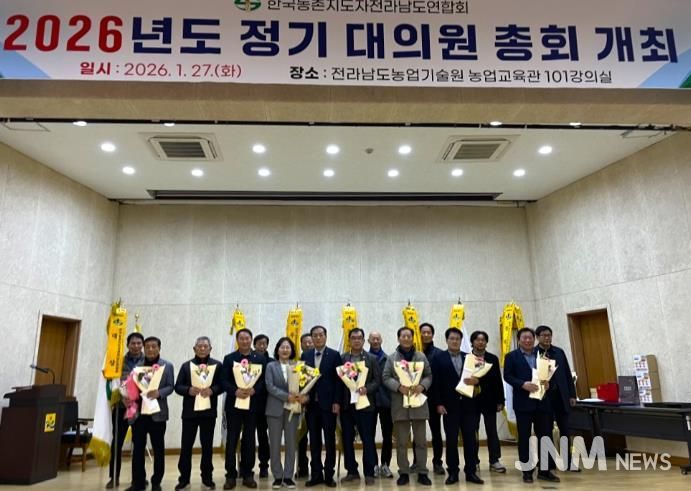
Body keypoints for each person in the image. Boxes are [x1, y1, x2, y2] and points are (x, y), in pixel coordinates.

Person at [504, 328, 558, 484]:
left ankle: (545, 471)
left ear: (534, 339)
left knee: (545, 437)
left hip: (542, 402)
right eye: (524, 338)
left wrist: (549, 384)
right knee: (524, 438)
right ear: (519, 339)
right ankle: (527, 471)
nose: (528, 340)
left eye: (530, 338)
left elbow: (551, 376)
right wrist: (522, 384)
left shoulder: (543, 355)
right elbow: (507, 376)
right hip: (523, 403)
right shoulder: (511, 356)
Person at [431, 328, 483, 485]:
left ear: (461, 341)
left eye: (457, 339)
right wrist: (438, 403)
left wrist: (477, 381)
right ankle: (453, 472)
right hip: (449, 407)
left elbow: (479, 379)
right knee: (451, 440)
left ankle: (471, 472)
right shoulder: (438, 358)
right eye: (452, 338)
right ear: (447, 340)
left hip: (469, 406)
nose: (455, 341)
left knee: (470, 440)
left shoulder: (470, 358)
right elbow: (435, 383)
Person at [382, 327, 433, 486]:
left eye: (408, 336)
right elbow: (386, 377)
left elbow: (429, 375)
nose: (406, 339)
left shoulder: (421, 356)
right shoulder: (392, 358)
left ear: (412, 338)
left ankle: (422, 472)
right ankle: (403, 472)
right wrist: (398, 387)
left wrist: (422, 386)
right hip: (400, 405)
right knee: (401, 443)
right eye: (403, 336)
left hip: (418, 404)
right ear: (398, 338)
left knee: (421, 442)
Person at [125, 336, 175, 491]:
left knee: (158, 449)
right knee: (138, 449)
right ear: (144, 348)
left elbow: (170, 386)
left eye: (154, 346)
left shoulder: (167, 366)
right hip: (139, 415)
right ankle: (138, 482)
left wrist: (159, 393)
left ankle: (156, 482)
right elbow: (131, 388)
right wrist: (127, 396)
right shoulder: (136, 367)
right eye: (148, 347)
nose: (151, 349)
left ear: (159, 348)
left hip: (157, 415)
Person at [174, 336, 223, 491]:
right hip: (190, 413)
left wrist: (212, 390)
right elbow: (177, 386)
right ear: (194, 349)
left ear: (210, 349)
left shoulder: (217, 365)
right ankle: (184, 479)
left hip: (208, 413)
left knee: (207, 446)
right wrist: (188, 390)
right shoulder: (186, 366)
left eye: (205, 346)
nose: (202, 349)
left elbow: (222, 385)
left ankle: (207, 478)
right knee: (186, 446)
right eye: (199, 346)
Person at [221, 329, 267, 490]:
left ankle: (248, 474)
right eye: (241, 338)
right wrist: (235, 391)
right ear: (237, 340)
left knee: (249, 439)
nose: (245, 341)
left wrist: (255, 390)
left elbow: (264, 381)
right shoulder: (229, 358)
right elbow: (223, 380)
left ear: (251, 340)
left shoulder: (260, 358)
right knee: (232, 440)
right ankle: (230, 475)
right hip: (234, 405)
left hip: (253, 405)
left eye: (247, 338)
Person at [339, 328, 380, 486]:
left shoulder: (371, 358)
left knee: (367, 439)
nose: (356, 340)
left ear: (363, 341)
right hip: (347, 407)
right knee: (347, 439)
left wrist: (367, 389)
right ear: (349, 340)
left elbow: (377, 381)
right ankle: (352, 471)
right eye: (353, 338)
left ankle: (369, 472)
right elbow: (338, 382)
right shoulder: (342, 358)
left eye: (359, 338)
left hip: (366, 406)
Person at [301, 325, 341, 488]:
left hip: (329, 405)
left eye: (320, 335)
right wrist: (302, 396)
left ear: (325, 336)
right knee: (314, 440)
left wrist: (336, 402)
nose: (318, 338)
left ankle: (329, 474)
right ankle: (316, 474)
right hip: (311, 406)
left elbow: (338, 381)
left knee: (329, 440)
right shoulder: (306, 355)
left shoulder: (334, 355)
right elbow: (302, 379)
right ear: (311, 338)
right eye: (315, 335)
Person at [265, 337, 307, 490]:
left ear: (292, 350)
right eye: (282, 347)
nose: (284, 350)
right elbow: (269, 386)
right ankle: (277, 476)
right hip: (274, 410)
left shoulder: (298, 366)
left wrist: (303, 396)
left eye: (287, 347)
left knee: (291, 444)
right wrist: (286, 396)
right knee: (275, 444)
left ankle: (288, 476)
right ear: (277, 350)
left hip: (292, 410)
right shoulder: (270, 366)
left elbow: (303, 386)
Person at [535, 325, 578, 472]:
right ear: (538, 337)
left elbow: (567, 374)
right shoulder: (534, 353)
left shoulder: (559, 352)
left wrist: (572, 394)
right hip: (544, 398)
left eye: (549, 335)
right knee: (545, 431)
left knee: (565, 430)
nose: (547, 338)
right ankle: (549, 462)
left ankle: (568, 461)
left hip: (561, 397)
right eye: (544, 335)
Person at [106, 332, 145, 489]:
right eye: (133, 343)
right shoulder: (118, 362)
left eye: (139, 343)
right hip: (121, 408)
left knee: (139, 444)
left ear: (142, 345)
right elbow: (112, 383)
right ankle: (113, 477)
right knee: (117, 443)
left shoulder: (147, 362)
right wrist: (121, 396)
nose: (136, 346)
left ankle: (139, 478)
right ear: (128, 345)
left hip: (140, 409)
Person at [469, 331, 506, 473]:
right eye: (477, 340)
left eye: (483, 340)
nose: (480, 342)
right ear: (472, 342)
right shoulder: (467, 358)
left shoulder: (492, 358)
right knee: (473, 431)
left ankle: (494, 460)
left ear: (486, 342)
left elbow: (498, 381)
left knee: (492, 431)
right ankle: (474, 461)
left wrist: (500, 400)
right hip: (472, 400)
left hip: (490, 400)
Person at [418, 322, 445, 475]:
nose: (426, 335)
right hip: (416, 398)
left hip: (434, 399)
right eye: (423, 332)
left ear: (433, 335)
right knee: (418, 433)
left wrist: (440, 401)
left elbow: (440, 379)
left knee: (436, 433)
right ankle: (417, 462)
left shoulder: (439, 354)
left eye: (429, 332)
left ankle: (437, 462)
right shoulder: (413, 352)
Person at [368, 330, 393, 479]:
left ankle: (385, 464)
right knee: (369, 436)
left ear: (381, 340)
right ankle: (374, 465)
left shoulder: (388, 359)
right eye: (373, 339)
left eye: (378, 339)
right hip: (369, 402)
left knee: (387, 435)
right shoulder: (364, 358)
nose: (376, 341)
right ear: (368, 341)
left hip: (386, 402)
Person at [253, 334, 273, 479]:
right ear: (254, 345)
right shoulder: (248, 361)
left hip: (266, 405)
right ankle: (245, 465)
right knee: (247, 436)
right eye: (259, 343)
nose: (261, 346)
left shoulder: (272, 362)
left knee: (263, 436)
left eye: (264, 343)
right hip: (248, 403)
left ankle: (264, 466)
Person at [296, 333, 313, 478]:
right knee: (301, 439)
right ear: (301, 345)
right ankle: (302, 467)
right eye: (305, 342)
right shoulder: (297, 363)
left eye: (310, 342)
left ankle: (317, 468)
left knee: (315, 438)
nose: (308, 344)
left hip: (316, 406)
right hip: (300, 406)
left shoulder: (320, 360)